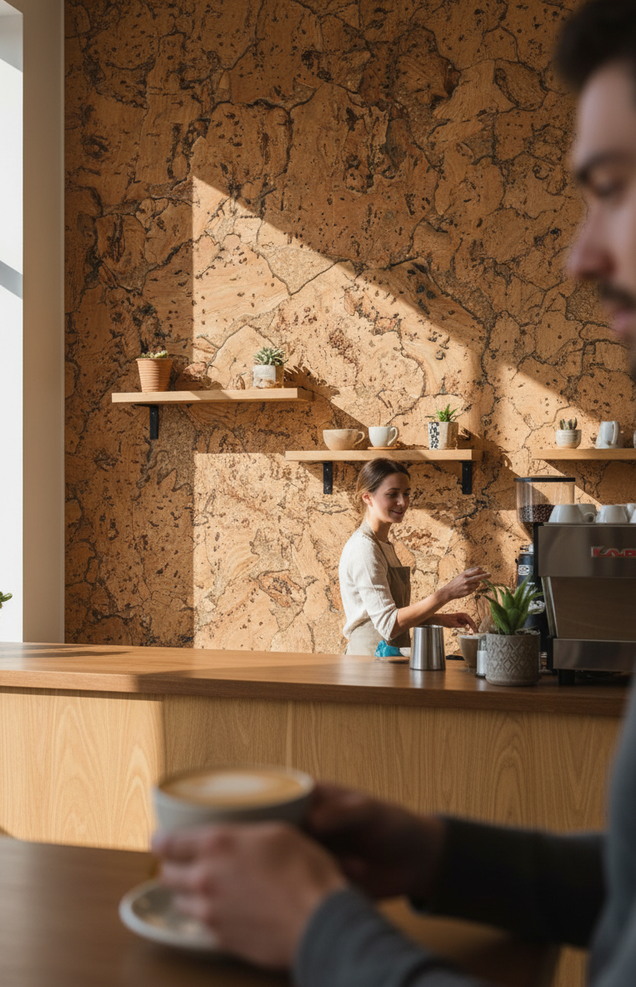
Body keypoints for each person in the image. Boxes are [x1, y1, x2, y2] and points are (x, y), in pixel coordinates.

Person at [154, 2, 636, 984]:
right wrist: (439, 854)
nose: (579, 254)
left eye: (618, 188)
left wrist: (319, 931)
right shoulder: (360, 550)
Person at [339, 459, 486, 656]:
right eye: (392, 494)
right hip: (367, 665)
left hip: (387, 659)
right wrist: (447, 593)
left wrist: (439, 619)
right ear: (367, 497)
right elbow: (388, 625)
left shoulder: (382, 545)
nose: (403, 502)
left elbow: (389, 613)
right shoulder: (364, 549)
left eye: (406, 493)